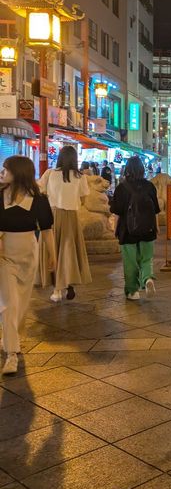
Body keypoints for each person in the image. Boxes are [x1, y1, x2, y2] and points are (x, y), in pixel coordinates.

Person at [0, 156, 55, 374]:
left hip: (28, 252)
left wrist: (53, 255)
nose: (2, 172)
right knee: (9, 303)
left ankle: (10, 337)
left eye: (6, 169)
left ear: (19, 172)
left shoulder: (38, 199)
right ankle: (11, 353)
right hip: (4, 253)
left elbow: (47, 229)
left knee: (21, 304)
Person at [38, 145, 92, 303]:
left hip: (52, 215)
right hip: (72, 217)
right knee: (69, 251)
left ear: (60, 157)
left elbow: (40, 191)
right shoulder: (80, 176)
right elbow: (83, 199)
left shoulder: (50, 173)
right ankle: (67, 283)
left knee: (53, 250)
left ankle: (57, 289)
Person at [109, 155, 160, 301]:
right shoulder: (150, 186)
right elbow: (155, 210)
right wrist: (156, 227)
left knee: (130, 261)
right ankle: (148, 279)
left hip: (127, 230)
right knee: (146, 258)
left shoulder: (121, 188)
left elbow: (117, 212)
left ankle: (132, 291)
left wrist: (115, 229)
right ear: (142, 170)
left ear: (127, 170)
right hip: (148, 229)